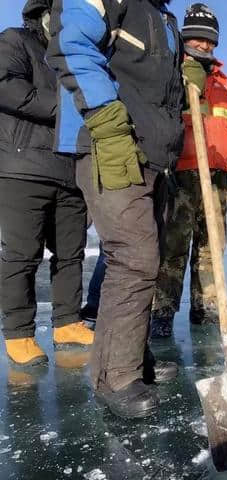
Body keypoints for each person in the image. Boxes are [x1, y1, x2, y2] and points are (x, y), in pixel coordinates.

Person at [46, 0, 197, 418]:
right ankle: (115, 376)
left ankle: (133, 355)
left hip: (153, 154)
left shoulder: (162, 16)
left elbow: (152, 86)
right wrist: (108, 122)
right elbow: (71, 46)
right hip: (112, 145)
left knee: (149, 258)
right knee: (133, 258)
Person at [0, 0, 94, 367]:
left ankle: (67, 322)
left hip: (69, 169)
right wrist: (65, 108)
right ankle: (19, 332)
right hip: (23, 167)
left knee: (71, 254)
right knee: (22, 255)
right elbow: (6, 86)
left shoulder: (74, 57)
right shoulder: (16, 41)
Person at [150, 3, 227, 338]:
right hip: (180, 170)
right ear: (184, 37)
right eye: (196, 38)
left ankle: (206, 306)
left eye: (210, 41)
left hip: (217, 173)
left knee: (212, 245)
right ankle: (162, 311)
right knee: (174, 244)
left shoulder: (223, 83)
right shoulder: (170, 71)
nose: (204, 45)